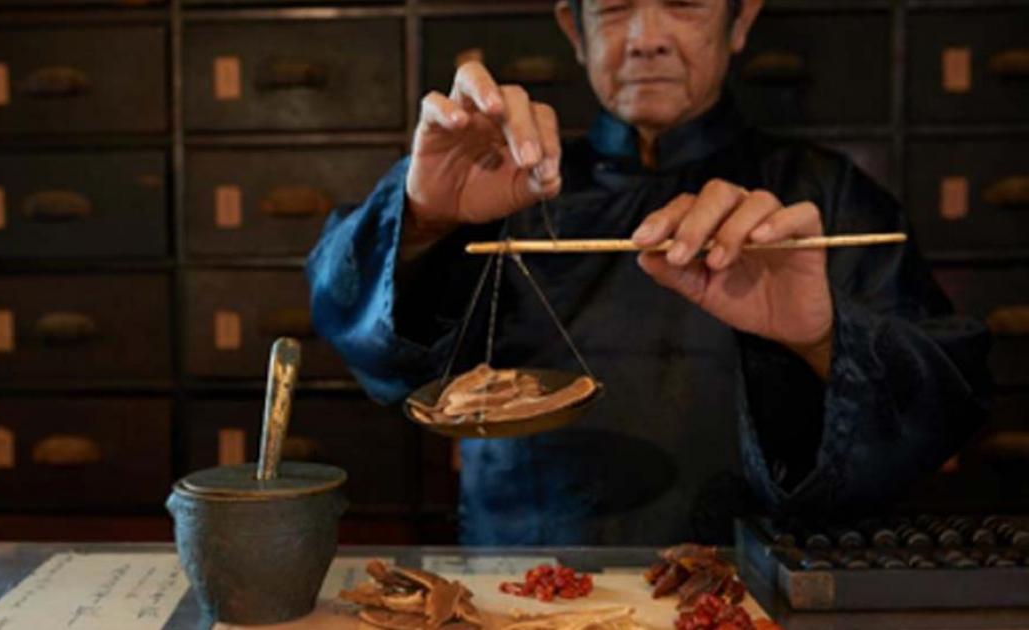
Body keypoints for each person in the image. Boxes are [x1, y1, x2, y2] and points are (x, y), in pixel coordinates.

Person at [307, 0, 991, 545]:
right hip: (521, 584)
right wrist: (426, 217)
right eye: (615, 7)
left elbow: (948, 407)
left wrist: (823, 339)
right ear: (573, 28)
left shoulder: (825, 197)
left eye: (684, 3)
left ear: (741, 18)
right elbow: (363, 342)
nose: (646, 38)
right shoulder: (500, 183)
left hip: (750, 590)